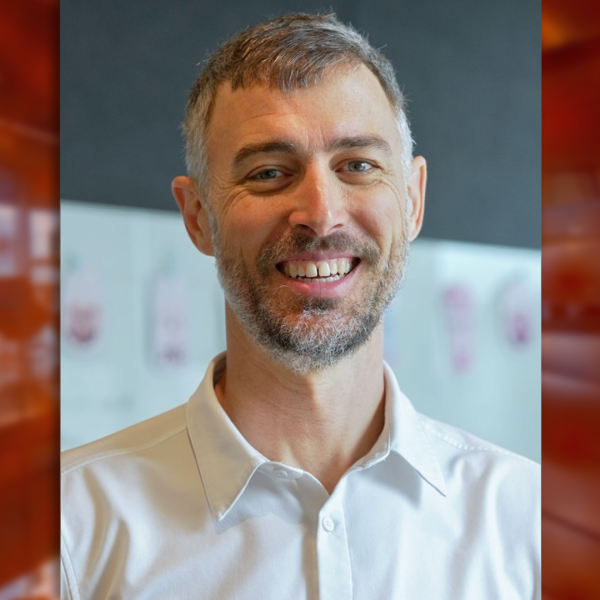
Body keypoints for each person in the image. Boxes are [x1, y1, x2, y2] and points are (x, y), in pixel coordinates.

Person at [61, 13, 540, 600]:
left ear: (413, 200)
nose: (321, 212)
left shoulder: (533, 524)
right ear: (197, 218)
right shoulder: (66, 529)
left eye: (358, 166)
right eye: (268, 173)